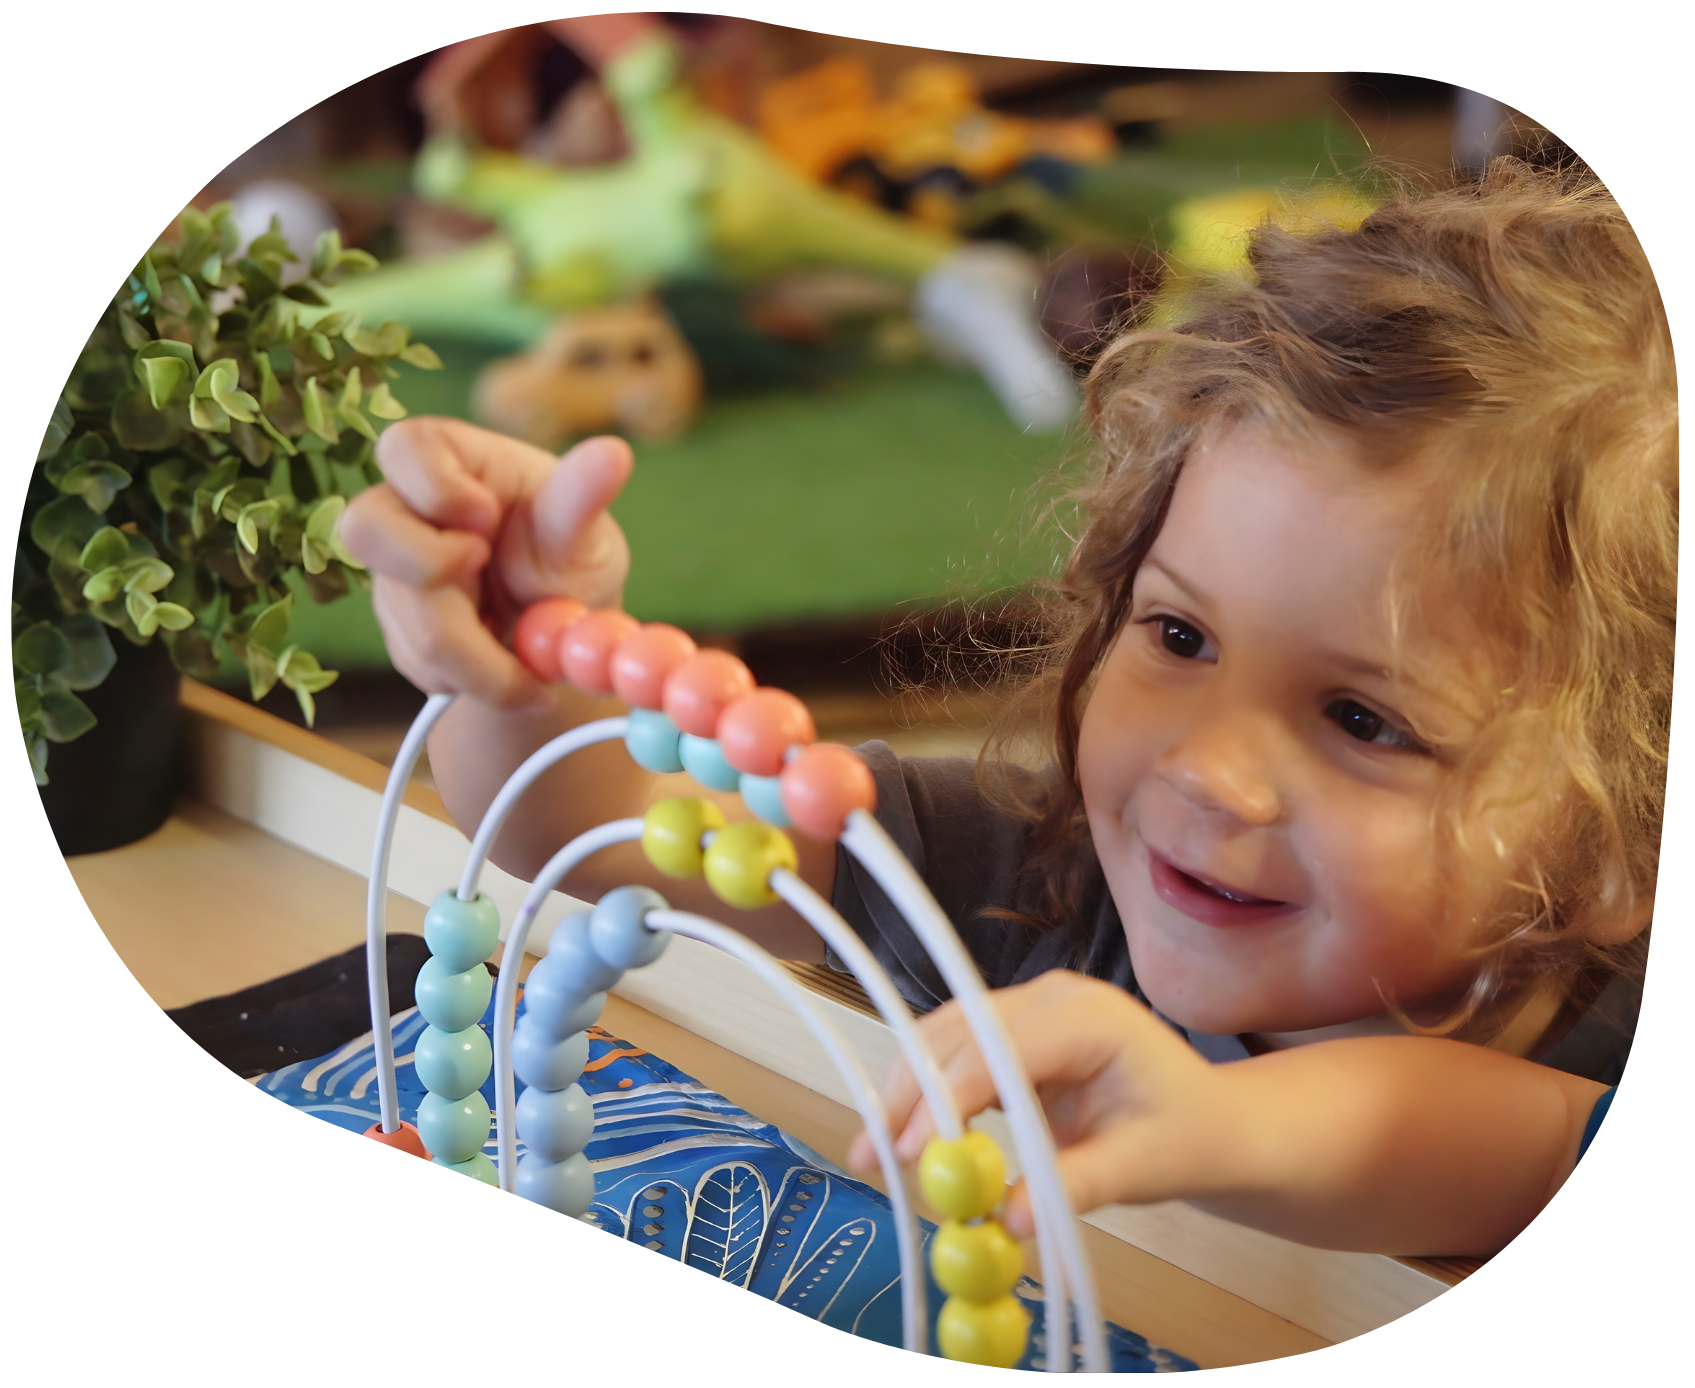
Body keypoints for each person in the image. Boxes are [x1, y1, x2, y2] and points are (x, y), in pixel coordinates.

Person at [338, 157, 1669, 1260]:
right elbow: (600, 821)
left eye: (1362, 721)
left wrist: (1213, 1124)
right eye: (1179, 634)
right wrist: (520, 662)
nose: (1206, 770)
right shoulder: (1037, 880)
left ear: (1615, 842)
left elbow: (1530, 1150)